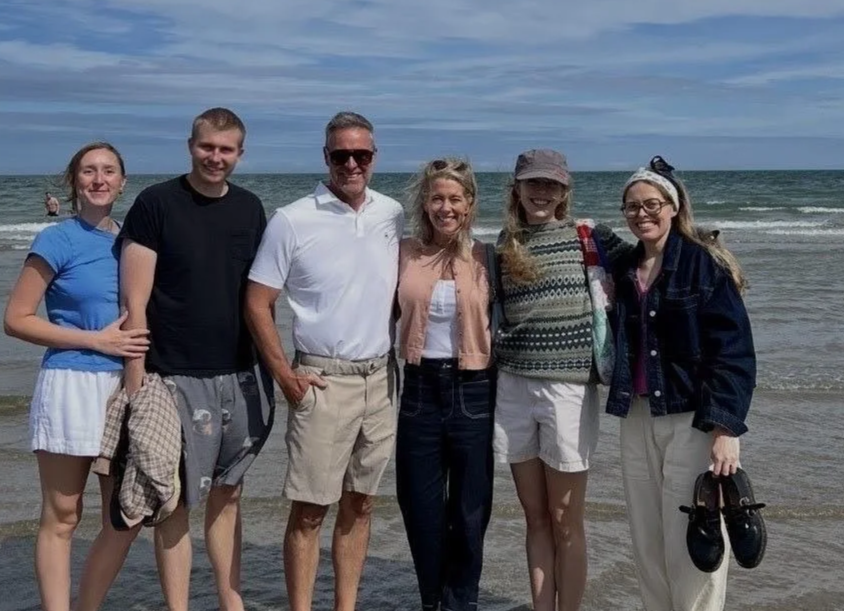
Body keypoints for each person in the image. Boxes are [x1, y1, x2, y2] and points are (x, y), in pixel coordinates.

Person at [244, 110, 404, 611]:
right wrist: (284, 376)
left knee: (361, 504)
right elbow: (256, 301)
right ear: (326, 157)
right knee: (311, 510)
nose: (352, 164)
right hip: (321, 379)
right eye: (341, 155)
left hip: (381, 378)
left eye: (362, 155)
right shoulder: (292, 219)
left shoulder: (392, 212)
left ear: (375, 158)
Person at [118, 107, 275, 611]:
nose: (216, 157)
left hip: (241, 373)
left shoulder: (251, 209)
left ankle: (232, 602)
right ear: (191, 145)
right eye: (208, 146)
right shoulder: (156, 203)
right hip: (173, 374)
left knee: (229, 495)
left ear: (240, 154)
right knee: (175, 502)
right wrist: (136, 380)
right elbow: (134, 303)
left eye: (226, 150)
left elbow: (260, 297)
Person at [606, 156, 756, 611]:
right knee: (647, 539)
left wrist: (726, 429)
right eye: (632, 207)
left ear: (673, 207)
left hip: (692, 419)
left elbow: (733, 351)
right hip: (636, 416)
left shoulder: (702, 265)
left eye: (652, 204)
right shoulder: (623, 268)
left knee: (696, 537)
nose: (642, 214)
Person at [4, 142, 148, 611]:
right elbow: (17, 318)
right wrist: (95, 341)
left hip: (124, 387)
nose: (99, 179)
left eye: (109, 171)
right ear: (74, 182)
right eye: (89, 171)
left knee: (123, 516)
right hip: (70, 383)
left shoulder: (133, 240)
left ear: (123, 183)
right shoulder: (56, 239)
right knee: (63, 515)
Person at [494, 149, 631, 611]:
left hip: (569, 388)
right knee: (534, 518)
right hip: (512, 387)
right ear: (516, 189)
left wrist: (707, 248)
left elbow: (652, 260)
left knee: (565, 519)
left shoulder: (589, 236)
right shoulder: (503, 244)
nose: (541, 192)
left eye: (551, 185)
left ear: (564, 191)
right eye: (532, 183)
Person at [394, 157, 494, 611]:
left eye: (455, 198)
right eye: (437, 198)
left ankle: (462, 603)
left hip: (474, 389)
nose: (446, 207)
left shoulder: (487, 259)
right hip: (418, 390)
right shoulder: (404, 252)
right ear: (425, 202)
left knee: (470, 512)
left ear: (470, 205)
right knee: (420, 508)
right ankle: (431, 601)